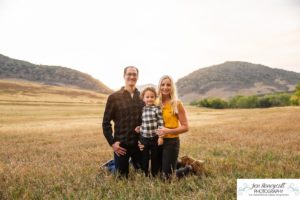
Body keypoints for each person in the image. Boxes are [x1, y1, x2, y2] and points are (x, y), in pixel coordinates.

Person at [102, 66, 144, 177]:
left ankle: (131, 162)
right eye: (129, 74)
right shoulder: (114, 97)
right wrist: (112, 143)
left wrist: (144, 140)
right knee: (122, 175)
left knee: (143, 171)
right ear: (124, 76)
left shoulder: (142, 97)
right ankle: (110, 165)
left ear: (137, 77)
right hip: (122, 144)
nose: (132, 76)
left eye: (134, 74)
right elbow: (106, 122)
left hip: (137, 144)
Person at [156, 75, 189, 179]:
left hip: (171, 142)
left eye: (168, 85)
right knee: (155, 173)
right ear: (159, 86)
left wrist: (168, 131)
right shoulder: (155, 102)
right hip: (156, 142)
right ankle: (177, 163)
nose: (165, 87)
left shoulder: (176, 104)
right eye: (163, 84)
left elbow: (185, 127)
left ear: (172, 87)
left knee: (167, 177)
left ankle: (190, 167)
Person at [135, 86, 164, 177]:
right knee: (144, 157)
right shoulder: (142, 109)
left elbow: (160, 123)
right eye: (147, 97)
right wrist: (139, 127)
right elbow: (144, 122)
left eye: (152, 97)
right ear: (143, 98)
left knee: (155, 156)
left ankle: (154, 173)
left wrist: (160, 137)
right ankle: (145, 173)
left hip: (154, 137)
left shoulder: (157, 109)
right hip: (144, 138)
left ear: (155, 98)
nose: (149, 99)